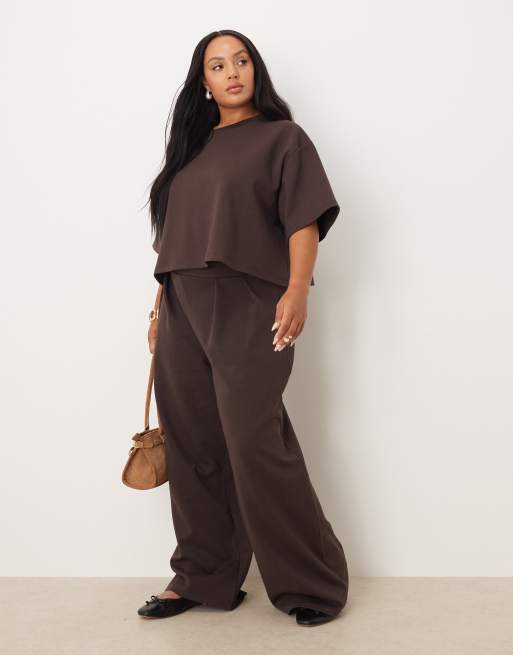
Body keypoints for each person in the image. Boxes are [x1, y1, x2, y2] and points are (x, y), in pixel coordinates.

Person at [137, 29, 349, 628]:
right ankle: (204, 577)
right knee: (193, 442)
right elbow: (177, 236)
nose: (232, 72)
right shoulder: (190, 149)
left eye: (241, 61)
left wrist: (297, 289)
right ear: (203, 82)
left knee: (254, 442)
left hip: (250, 300)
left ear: (255, 69)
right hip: (181, 303)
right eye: (217, 65)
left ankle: (312, 583)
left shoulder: (283, 139)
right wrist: (158, 308)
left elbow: (303, 221)